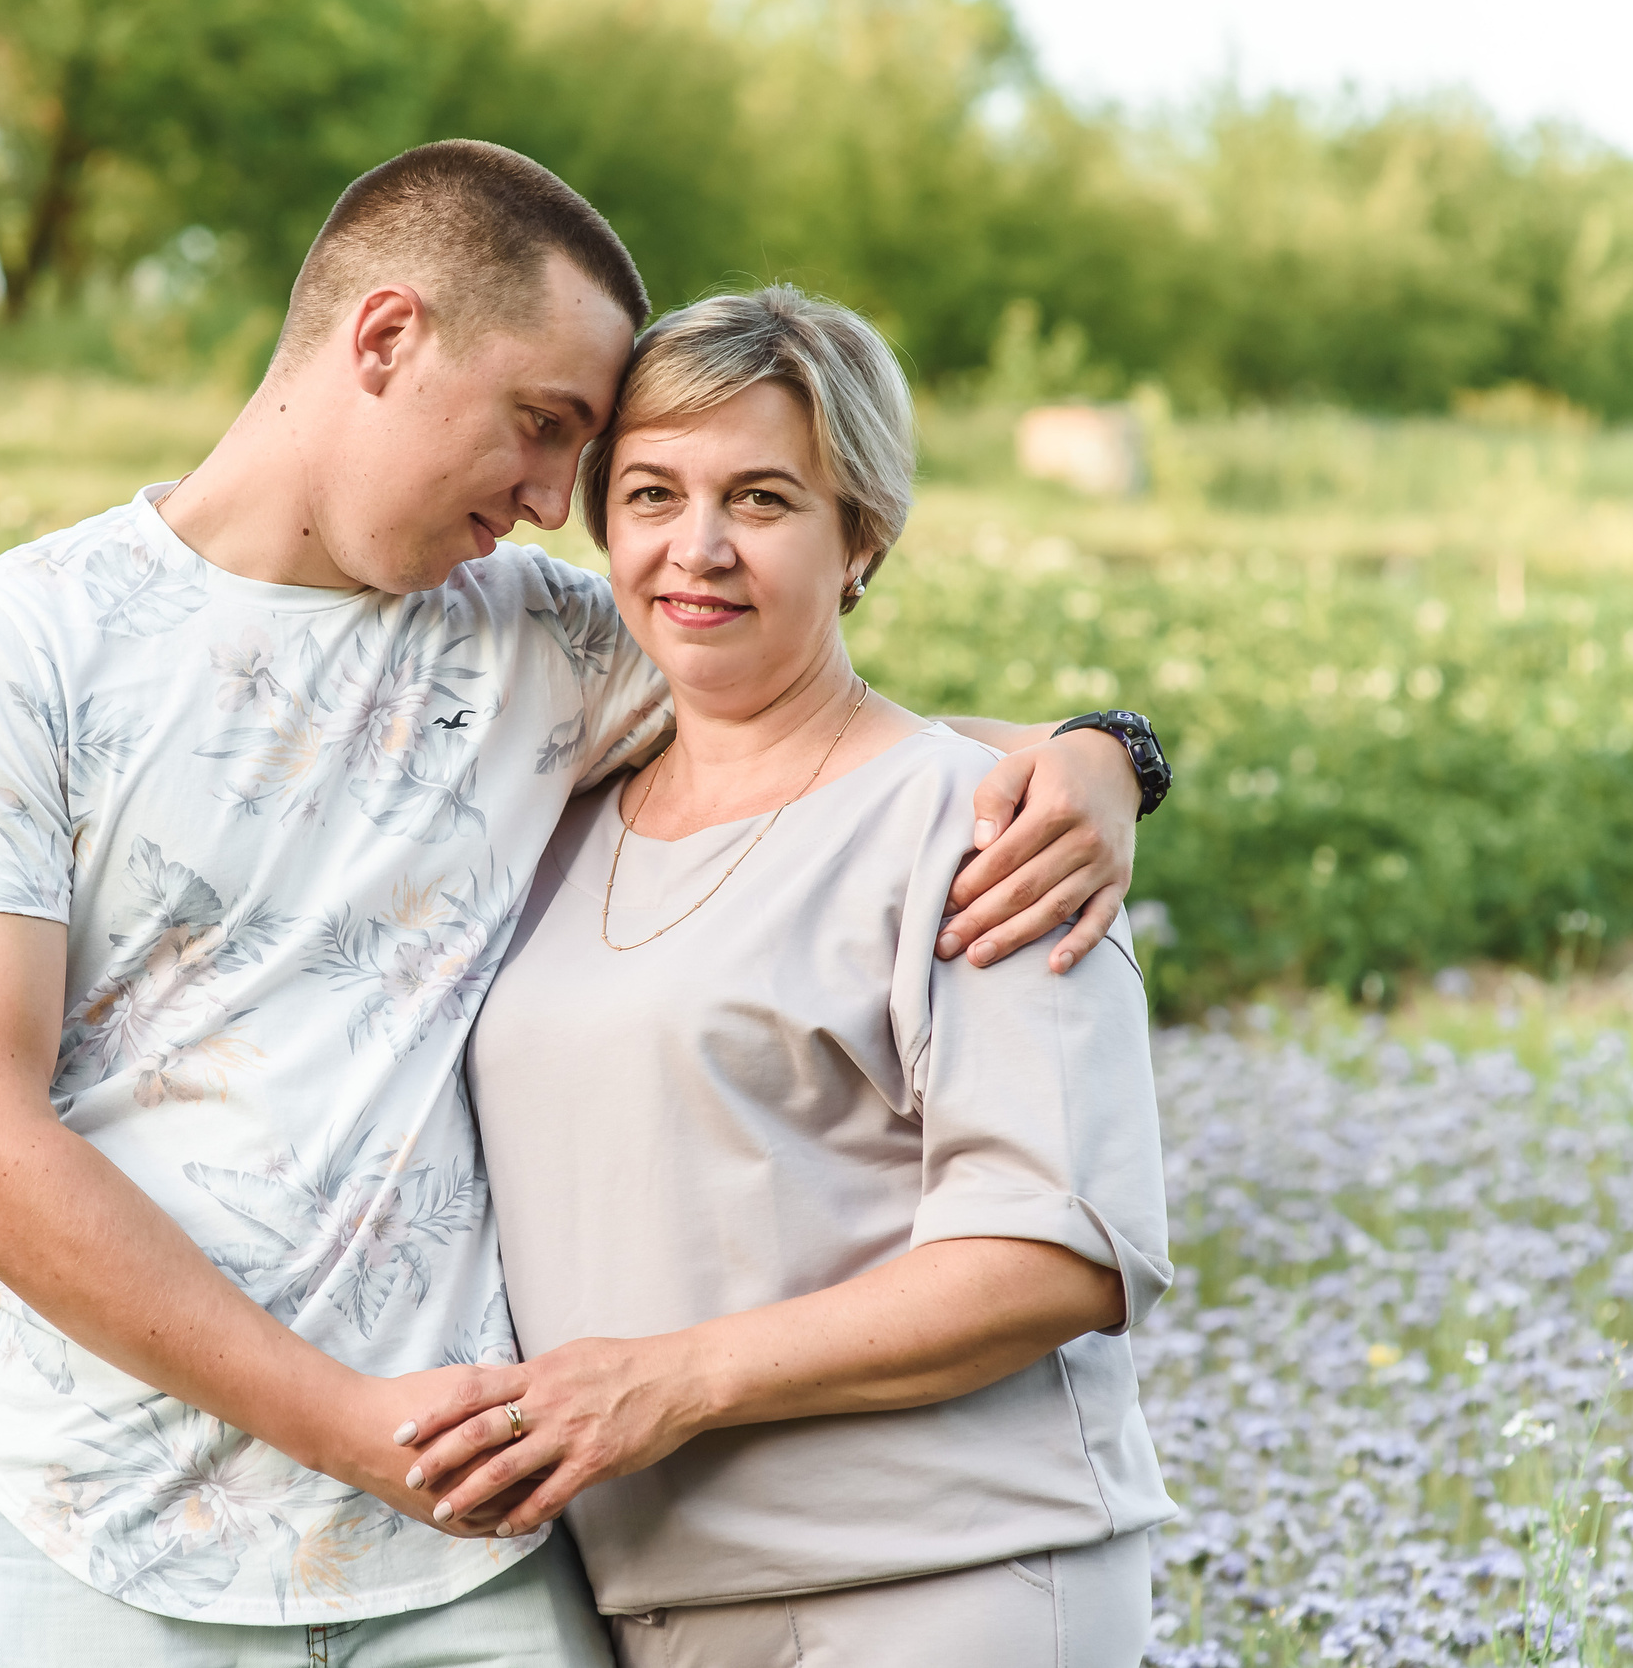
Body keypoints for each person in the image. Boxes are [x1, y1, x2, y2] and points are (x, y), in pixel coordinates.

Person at [0, 142, 1154, 1664]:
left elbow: (838, 729)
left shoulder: (540, 638)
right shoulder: (17, 647)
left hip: (482, 1553)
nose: (549, 504)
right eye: (547, 432)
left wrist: (1100, 755)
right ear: (387, 338)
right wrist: (345, 1425)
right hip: (109, 1526)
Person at [393, 285, 1174, 1667]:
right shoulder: (556, 816)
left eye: (761, 498)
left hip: (949, 1576)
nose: (696, 549)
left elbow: (1052, 1253)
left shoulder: (987, 830)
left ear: (859, 534)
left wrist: (669, 1383)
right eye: (649, 493)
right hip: (652, 1594)